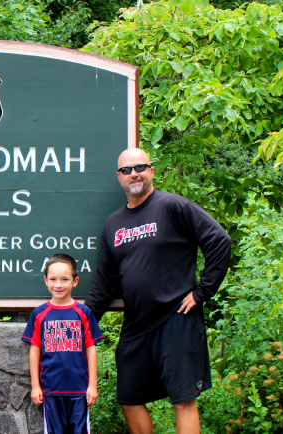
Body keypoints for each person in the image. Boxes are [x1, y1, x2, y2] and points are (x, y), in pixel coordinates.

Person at [85, 148, 232, 434]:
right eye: (127, 170)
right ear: (119, 177)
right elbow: (105, 282)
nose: (134, 174)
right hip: (137, 325)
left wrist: (202, 292)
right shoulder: (113, 223)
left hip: (177, 319)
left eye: (140, 167)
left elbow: (219, 240)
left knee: (183, 401)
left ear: (151, 170)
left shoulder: (173, 206)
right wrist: (80, 323)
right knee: (129, 399)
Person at [22, 253, 104, 434]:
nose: (58, 285)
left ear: (75, 281)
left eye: (65, 279)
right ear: (45, 280)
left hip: (79, 390)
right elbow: (34, 351)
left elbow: (90, 349)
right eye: (53, 279)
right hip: (51, 389)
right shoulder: (39, 314)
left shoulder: (83, 312)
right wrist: (36, 386)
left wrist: (92, 385)